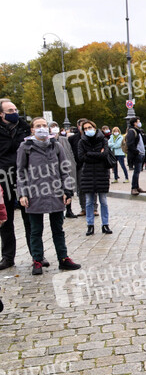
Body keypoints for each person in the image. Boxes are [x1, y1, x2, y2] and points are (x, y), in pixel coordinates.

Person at [16, 117, 81, 275]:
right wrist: (22, 194)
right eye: (38, 126)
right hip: (35, 193)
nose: (42, 128)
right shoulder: (25, 147)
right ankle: (37, 260)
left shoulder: (56, 145)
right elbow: (21, 172)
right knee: (35, 230)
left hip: (55, 192)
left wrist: (67, 191)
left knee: (58, 229)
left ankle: (63, 258)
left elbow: (64, 170)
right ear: (32, 129)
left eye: (44, 125)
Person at [0, 98, 32, 269]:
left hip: (24, 177)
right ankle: (7, 257)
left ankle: (36, 254)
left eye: (15, 110)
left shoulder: (24, 128)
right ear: (1, 114)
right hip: (3, 178)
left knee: (30, 217)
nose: (15, 113)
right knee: (6, 219)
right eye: (10, 111)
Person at [76, 119, 113, 235]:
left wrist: (89, 154)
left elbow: (105, 154)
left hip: (102, 173)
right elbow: (81, 157)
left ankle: (105, 224)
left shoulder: (103, 140)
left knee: (103, 201)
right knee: (89, 201)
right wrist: (98, 154)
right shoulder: (82, 142)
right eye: (85, 128)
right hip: (88, 173)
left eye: (89, 127)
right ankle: (90, 225)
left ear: (94, 127)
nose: (88, 130)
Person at [125, 117, 146, 195]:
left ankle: (136, 186)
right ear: (134, 123)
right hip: (136, 155)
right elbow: (130, 144)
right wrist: (137, 152)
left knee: (137, 171)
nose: (139, 123)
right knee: (136, 172)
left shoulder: (137, 131)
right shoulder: (132, 131)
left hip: (140, 154)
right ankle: (134, 187)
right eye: (138, 122)